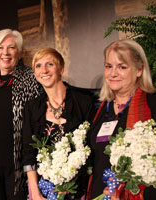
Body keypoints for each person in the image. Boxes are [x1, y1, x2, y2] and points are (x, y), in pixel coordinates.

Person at [88, 39, 156, 199]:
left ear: (139, 70)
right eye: (109, 66)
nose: (113, 73)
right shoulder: (101, 109)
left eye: (122, 67)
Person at [22, 48, 95, 200]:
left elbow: (91, 149)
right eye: (39, 66)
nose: (44, 70)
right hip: (43, 189)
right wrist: (35, 192)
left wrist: (70, 185)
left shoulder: (83, 102)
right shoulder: (31, 107)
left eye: (50, 64)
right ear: (35, 74)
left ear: (61, 69)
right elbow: (28, 152)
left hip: (76, 189)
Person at [0, 29, 41, 200]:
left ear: (19, 53)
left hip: (19, 168)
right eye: (0, 48)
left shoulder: (32, 78)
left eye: (11, 48)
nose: (5, 52)